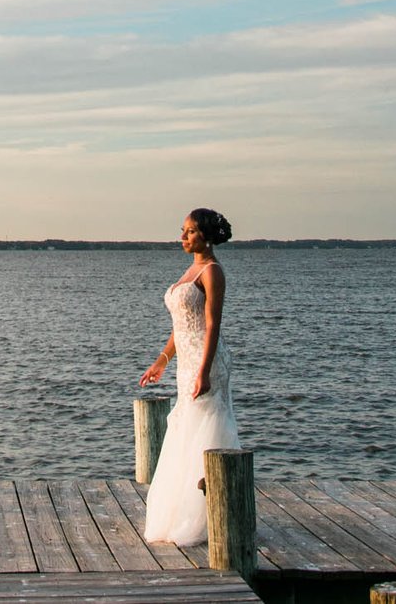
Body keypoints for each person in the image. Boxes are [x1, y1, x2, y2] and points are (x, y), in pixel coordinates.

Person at [138, 206, 241, 546]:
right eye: (182, 230)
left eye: (190, 231)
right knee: (184, 431)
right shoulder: (189, 270)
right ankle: (181, 510)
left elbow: (212, 325)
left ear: (206, 236)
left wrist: (205, 370)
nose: (182, 236)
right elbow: (181, 327)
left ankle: (206, 515)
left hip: (206, 363)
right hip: (186, 364)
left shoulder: (212, 272)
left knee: (206, 431)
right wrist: (161, 361)